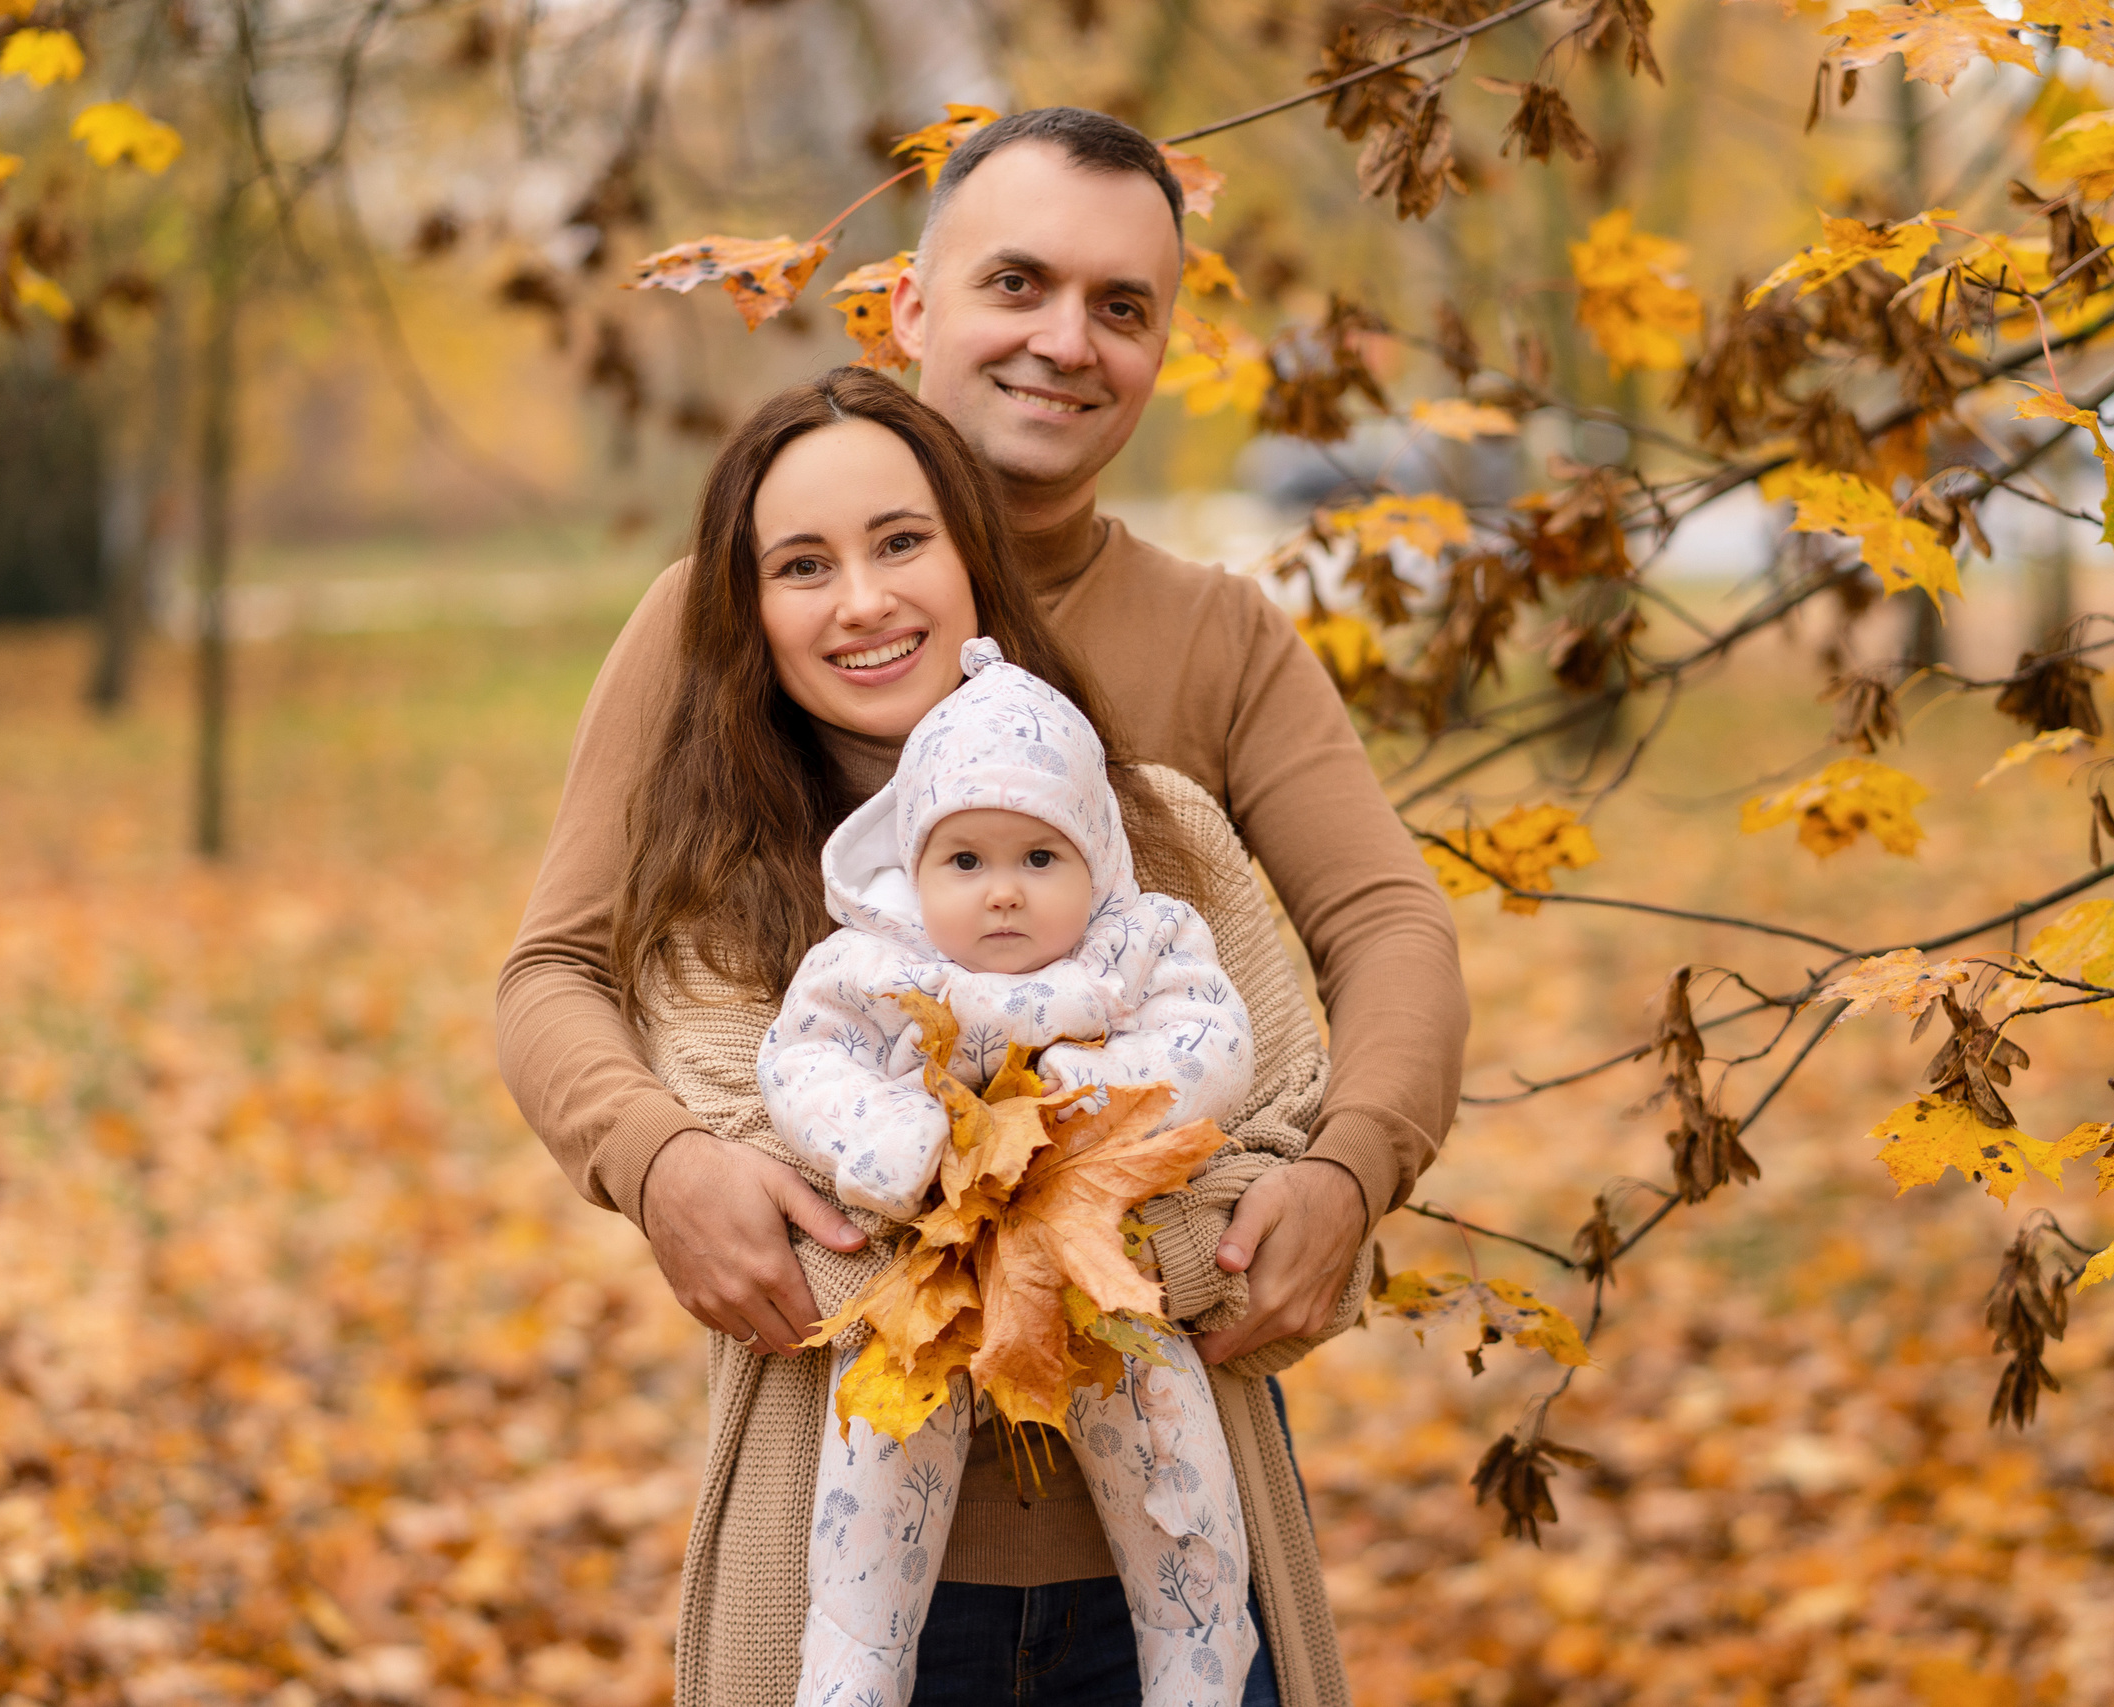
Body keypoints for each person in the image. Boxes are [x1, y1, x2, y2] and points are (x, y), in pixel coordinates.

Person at [498, 107, 1469, 1706]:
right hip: (848, 1506)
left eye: (1123, 305)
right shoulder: (727, 614)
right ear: (914, 305)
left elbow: (1392, 932)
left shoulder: (1213, 639)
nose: (1065, 341)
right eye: (1018, 281)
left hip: (1171, 1498)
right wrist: (659, 1160)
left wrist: (1352, 1176)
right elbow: (552, 965)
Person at [767, 637, 1259, 1707]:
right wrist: (901, 1144)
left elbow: (1212, 1042)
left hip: (1099, 1276)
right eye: (965, 861)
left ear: (1097, 858)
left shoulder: (1139, 946)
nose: (1002, 895)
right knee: (879, 1462)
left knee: (1174, 1476)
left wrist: (1073, 1104)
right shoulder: (874, 960)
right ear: (911, 864)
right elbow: (800, 1060)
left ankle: (1199, 1666)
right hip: (933, 1277)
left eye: (1040, 860)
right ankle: (850, 1678)